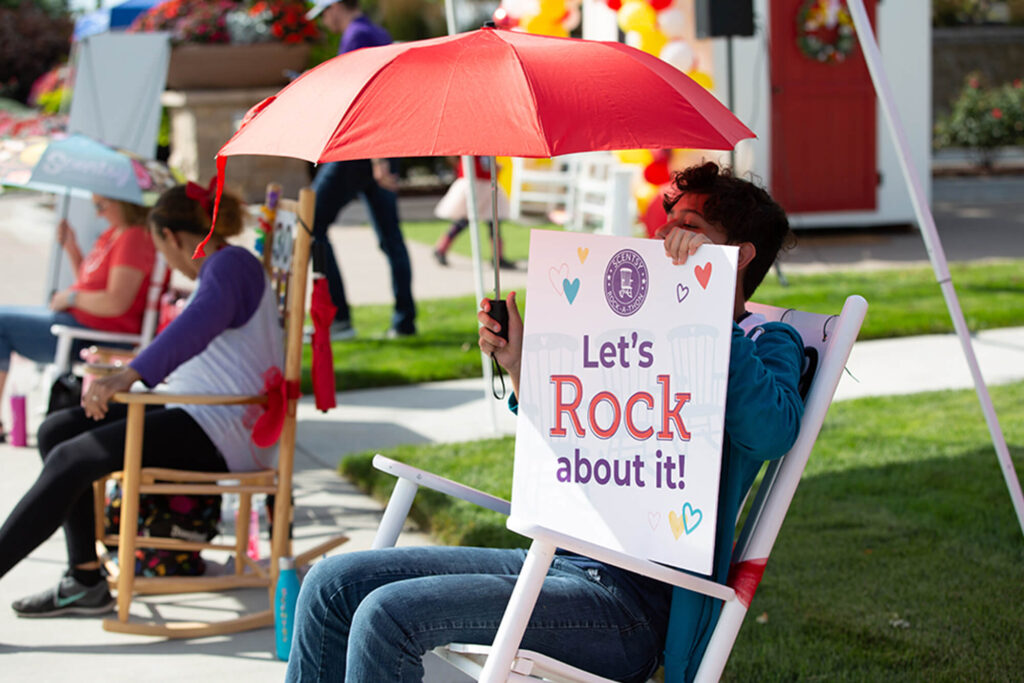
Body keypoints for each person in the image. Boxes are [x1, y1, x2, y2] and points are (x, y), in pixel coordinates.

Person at [284, 161, 805, 682]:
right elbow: (580, 426)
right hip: (562, 560)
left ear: (738, 256)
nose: (667, 236)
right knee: (332, 583)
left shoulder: (765, 343)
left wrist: (708, 303)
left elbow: (771, 432)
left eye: (689, 229)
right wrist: (518, 364)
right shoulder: (644, 325)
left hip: (634, 607)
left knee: (387, 615)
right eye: (670, 222)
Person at [0, 182, 284, 617]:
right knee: (59, 430)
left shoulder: (231, 265)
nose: (167, 262)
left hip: (223, 429)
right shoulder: (228, 267)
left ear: (171, 236)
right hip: (203, 413)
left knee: (74, 458)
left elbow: (197, 327)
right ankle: (85, 579)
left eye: (160, 248)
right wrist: (130, 370)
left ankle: (79, 580)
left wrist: (131, 374)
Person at [0, 195, 155, 441]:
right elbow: (89, 284)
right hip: (80, 322)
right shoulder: (114, 234)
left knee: (1, 322)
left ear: (124, 203)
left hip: (96, 331)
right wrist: (71, 247)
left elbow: (116, 302)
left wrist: (70, 299)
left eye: (102, 206)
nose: (98, 214)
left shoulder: (134, 237)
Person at [304, 0, 416, 340]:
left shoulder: (358, 35)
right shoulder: (374, 30)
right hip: (376, 151)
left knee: (310, 225)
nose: (324, 21)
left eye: (323, 13)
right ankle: (404, 322)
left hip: (361, 152)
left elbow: (373, 99)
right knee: (390, 238)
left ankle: (337, 319)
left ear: (336, 6)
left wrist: (379, 160)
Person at [433, 156, 514, 269]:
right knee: (464, 220)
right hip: (474, 184)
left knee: (494, 222)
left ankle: (497, 257)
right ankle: (441, 248)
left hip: (487, 184)